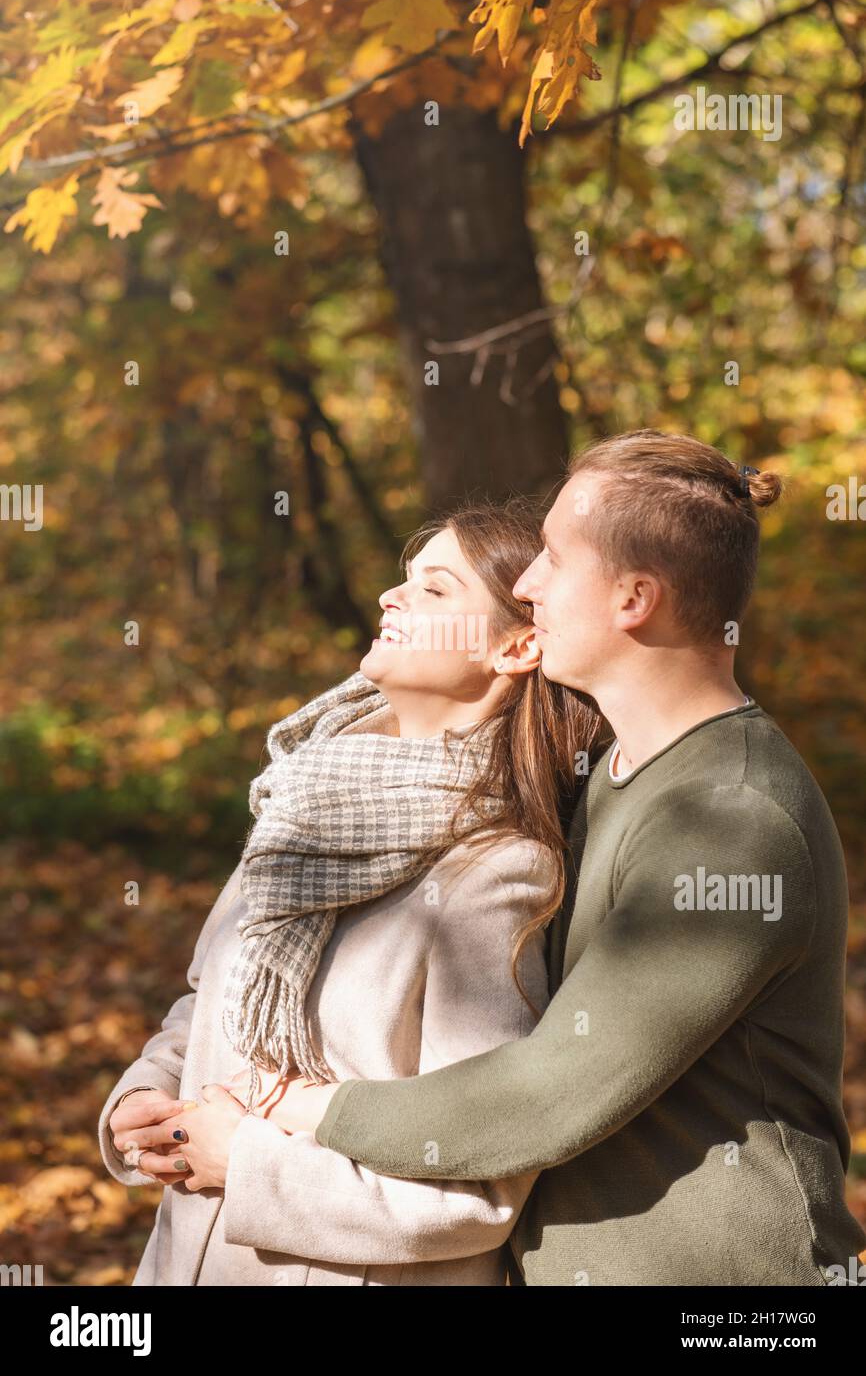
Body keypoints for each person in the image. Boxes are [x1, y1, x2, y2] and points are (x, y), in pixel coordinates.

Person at [234, 429, 866, 1286]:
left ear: (634, 597)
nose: (527, 584)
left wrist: (297, 1108)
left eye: (555, 561)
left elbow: (548, 1094)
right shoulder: (612, 772)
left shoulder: (733, 817)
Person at [98, 502, 602, 1285]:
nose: (389, 601)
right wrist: (149, 1093)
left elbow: (479, 1190)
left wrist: (249, 1166)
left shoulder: (495, 874)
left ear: (518, 645)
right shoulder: (300, 806)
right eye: (403, 583)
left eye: (435, 591)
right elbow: (209, 1007)